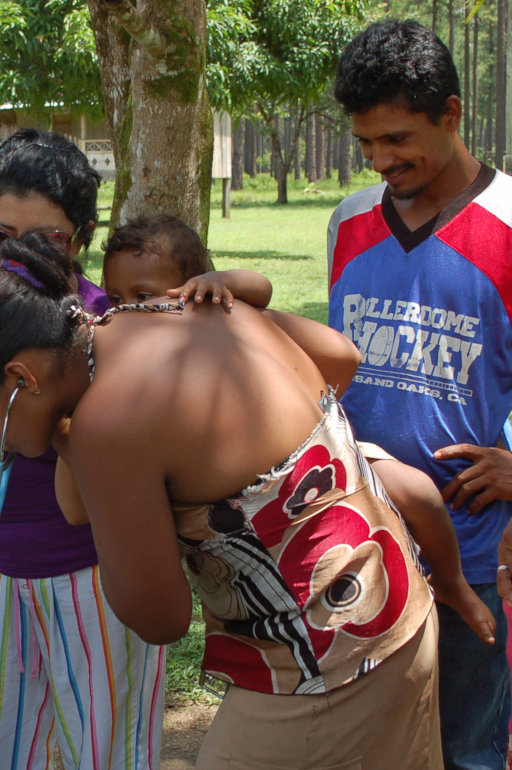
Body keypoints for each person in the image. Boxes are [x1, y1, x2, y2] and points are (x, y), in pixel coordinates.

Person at [0, 235, 442, 768]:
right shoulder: (180, 310)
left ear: (20, 378)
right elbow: (340, 355)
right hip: (401, 609)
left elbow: (161, 621)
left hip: (325, 662)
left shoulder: (109, 422)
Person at [103, 213, 494, 644]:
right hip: (250, 493)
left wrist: (222, 281)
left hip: (312, 452)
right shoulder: (135, 366)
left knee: (417, 491)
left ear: (195, 287)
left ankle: (453, 584)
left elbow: (264, 290)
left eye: (143, 296)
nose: (125, 310)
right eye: (113, 298)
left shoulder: (225, 314)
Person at [0, 129, 167, 769]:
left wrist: (47, 417)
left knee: (107, 753)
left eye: (45, 241)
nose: (19, 261)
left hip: (98, 578)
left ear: (81, 238)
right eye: (1, 239)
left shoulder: (106, 321)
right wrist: (10, 420)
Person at [330, 19, 512, 768]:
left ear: (452, 114)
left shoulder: (508, 223)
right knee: (369, 746)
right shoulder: (348, 221)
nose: (381, 160)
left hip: (471, 551)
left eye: (398, 138)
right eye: (366, 143)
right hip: (359, 541)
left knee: (467, 748)